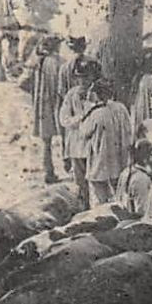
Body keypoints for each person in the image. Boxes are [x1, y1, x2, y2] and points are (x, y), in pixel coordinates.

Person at [80, 80, 135, 206]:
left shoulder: (96, 112)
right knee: (120, 194)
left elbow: (83, 133)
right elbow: (128, 129)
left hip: (100, 161)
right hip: (119, 158)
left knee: (101, 197)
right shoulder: (121, 108)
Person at [58, 60, 99, 207]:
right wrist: (80, 118)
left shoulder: (97, 93)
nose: (83, 81)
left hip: (93, 144)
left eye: (86, 77)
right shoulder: (71, 95)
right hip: (76, 145)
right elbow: (64, 119)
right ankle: (84, 208)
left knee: (96, 181)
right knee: (80, 183)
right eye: (80, 77)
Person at [28, 36, 65, 183]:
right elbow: (58, 86)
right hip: (53, 104)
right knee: (65, 136)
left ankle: (48, 171)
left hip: (42, 105)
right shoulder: (55, 62)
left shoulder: (39, 62)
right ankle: (66, 166)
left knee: (47, 142)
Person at [114, 141, 152, 216]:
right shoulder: (141, 178)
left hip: (123, 216)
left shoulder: (125, 172)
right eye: (149, 153)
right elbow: (142, 210)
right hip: (135, 221)